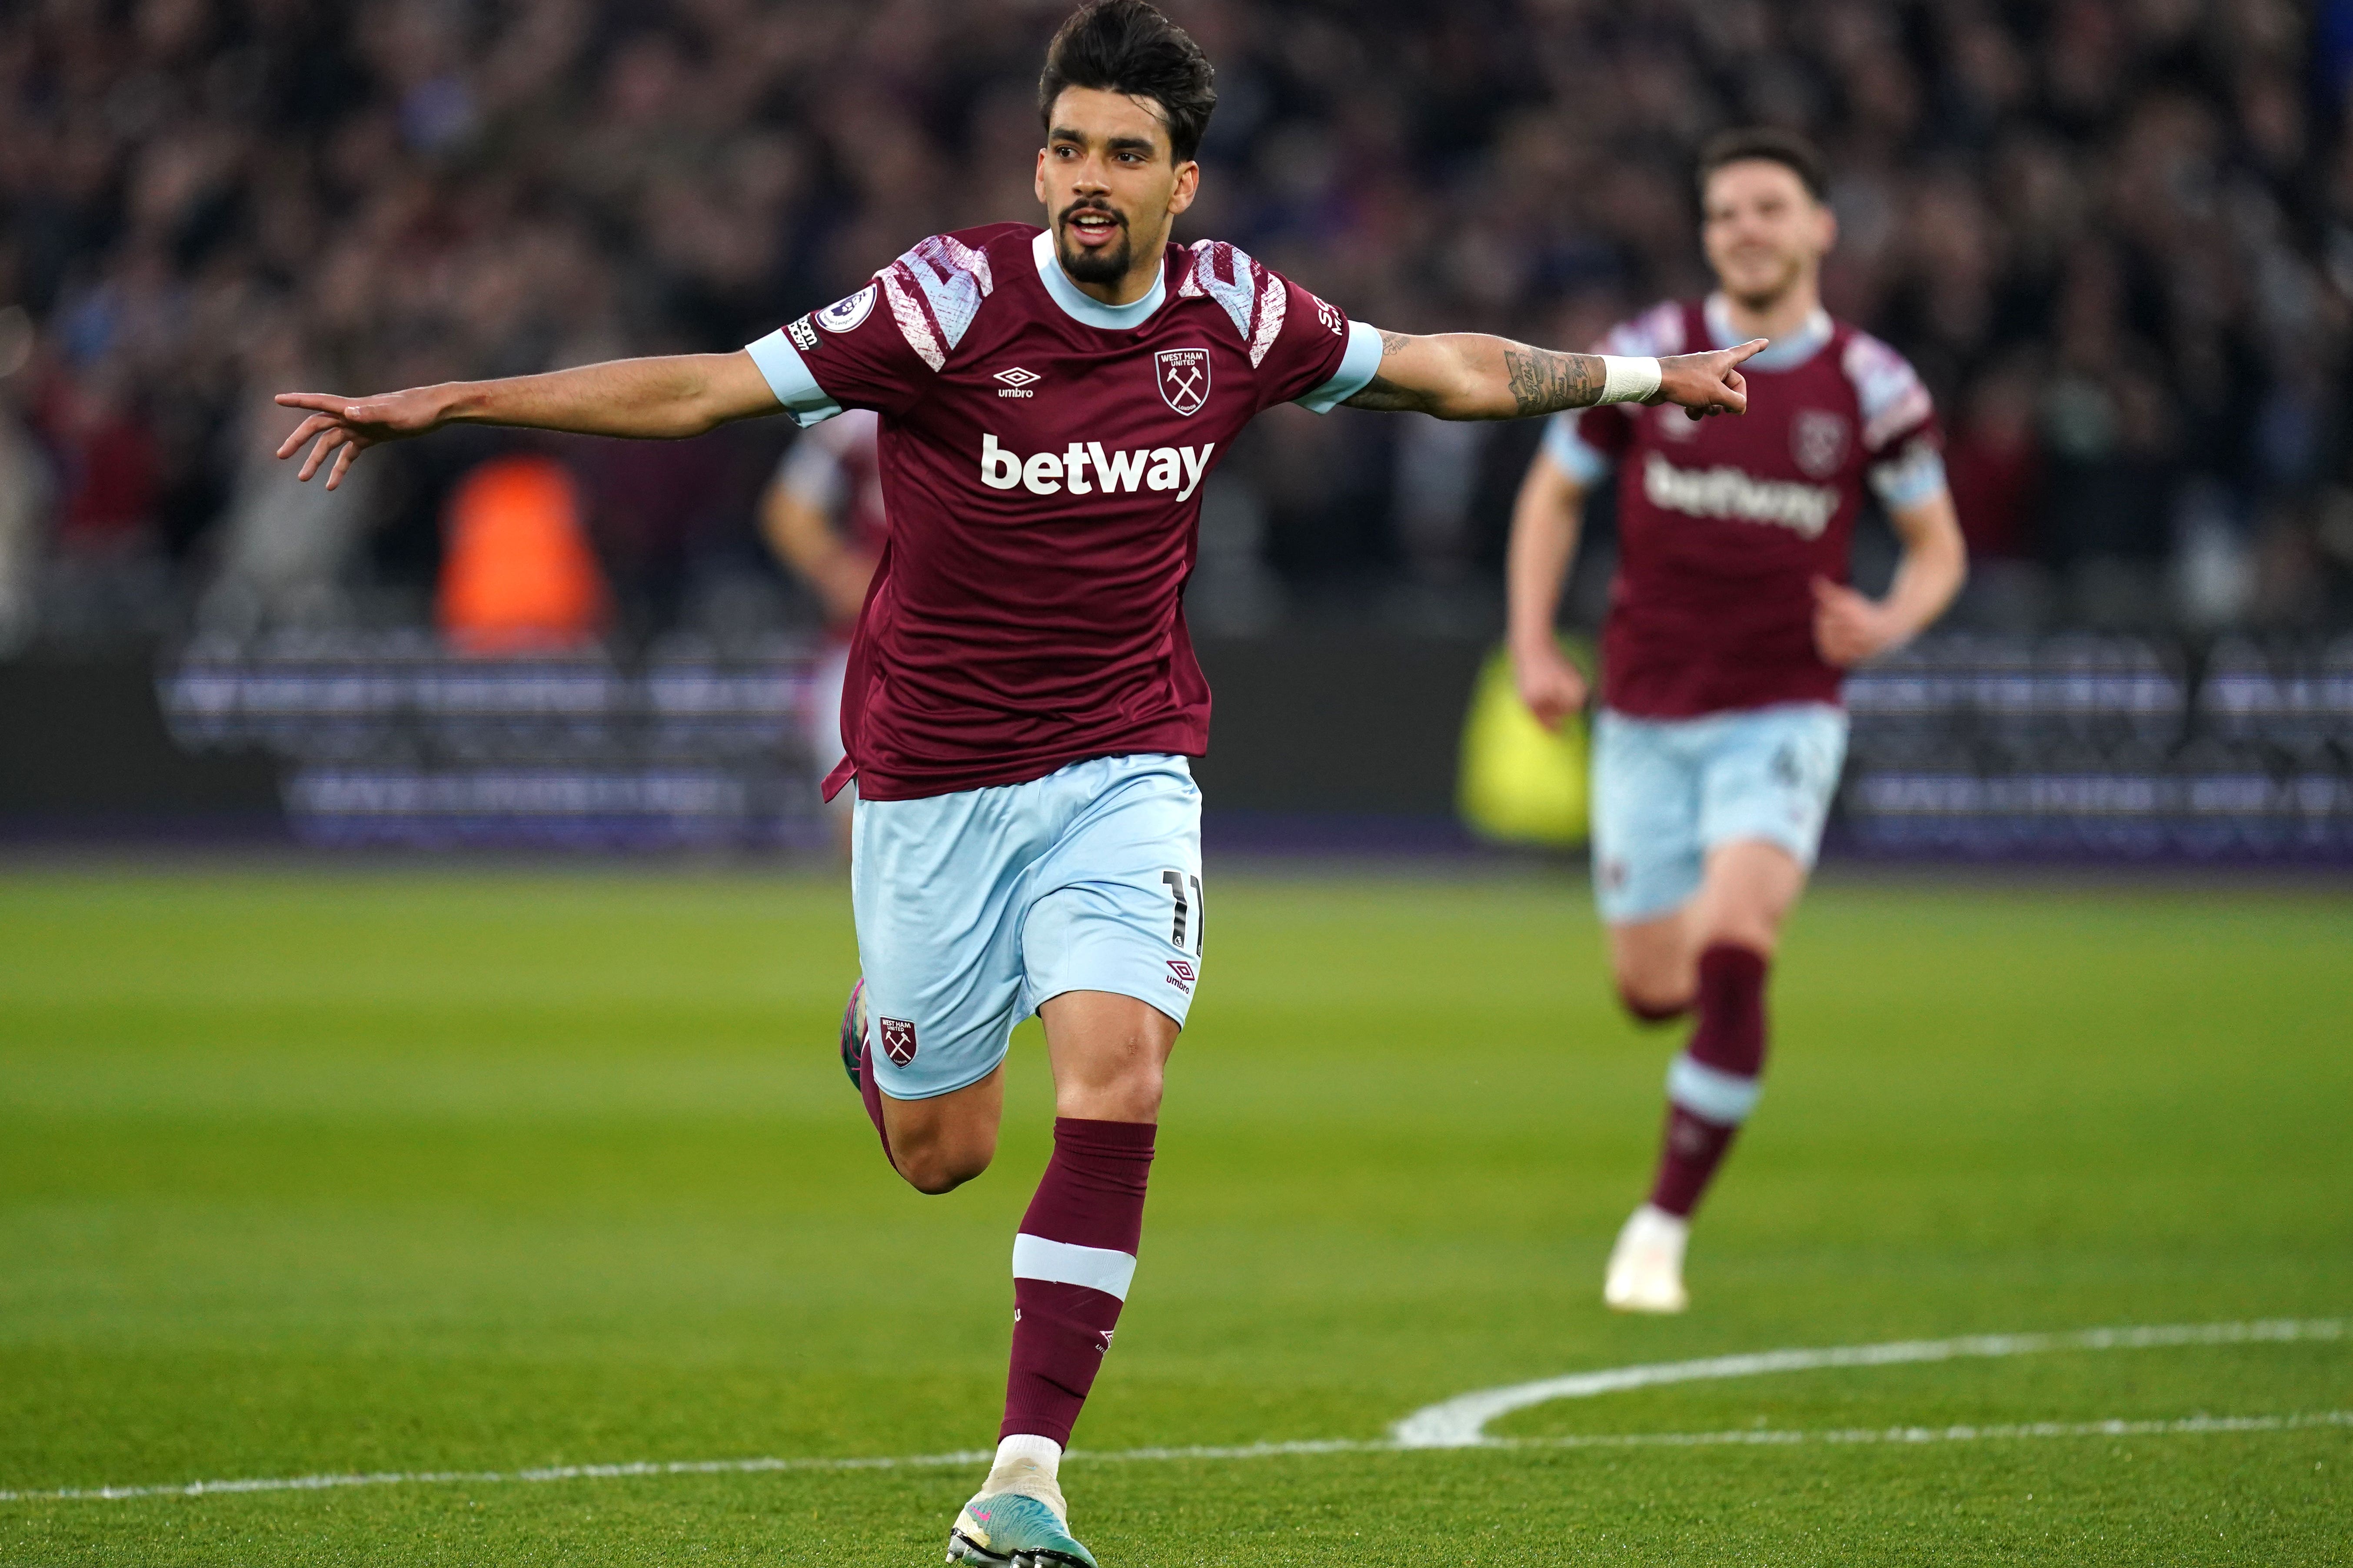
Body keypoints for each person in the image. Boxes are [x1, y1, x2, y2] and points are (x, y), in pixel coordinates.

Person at [274, 5, 1761, 1560]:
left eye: (1124, 154)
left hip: (1128, 764)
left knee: (1118, 1079)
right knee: (945, 1154)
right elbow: (710, 388)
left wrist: (1639, 378)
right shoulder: (942, 302)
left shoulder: (1234, 315)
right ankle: (882, 1036)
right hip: (928, 782)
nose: (1086, 182)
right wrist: (450, 404)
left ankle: (1023, 1480)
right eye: (1067, 148)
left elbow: (1441, 371)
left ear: (1185, 181)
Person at [1506, 127, 1967, 1316]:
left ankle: (1657, 1231)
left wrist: (1888, 619)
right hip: (1646, 712)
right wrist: (1528, 642)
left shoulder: (1870, 385)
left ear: (1818, 227)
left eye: (1768, 208)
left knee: (1734, 945)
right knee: (1651, 986)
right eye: (1724, 215)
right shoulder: (1647, 354)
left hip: (1782, 707)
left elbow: (1936, 548)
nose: (1745, 230)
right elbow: (1555, 491)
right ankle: (1701, 1052)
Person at [757, 409, 888, 847]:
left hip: (969, 643)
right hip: (867, 649)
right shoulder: (862, 418)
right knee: (860, 828)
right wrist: (837, 570)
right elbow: (788, 510)